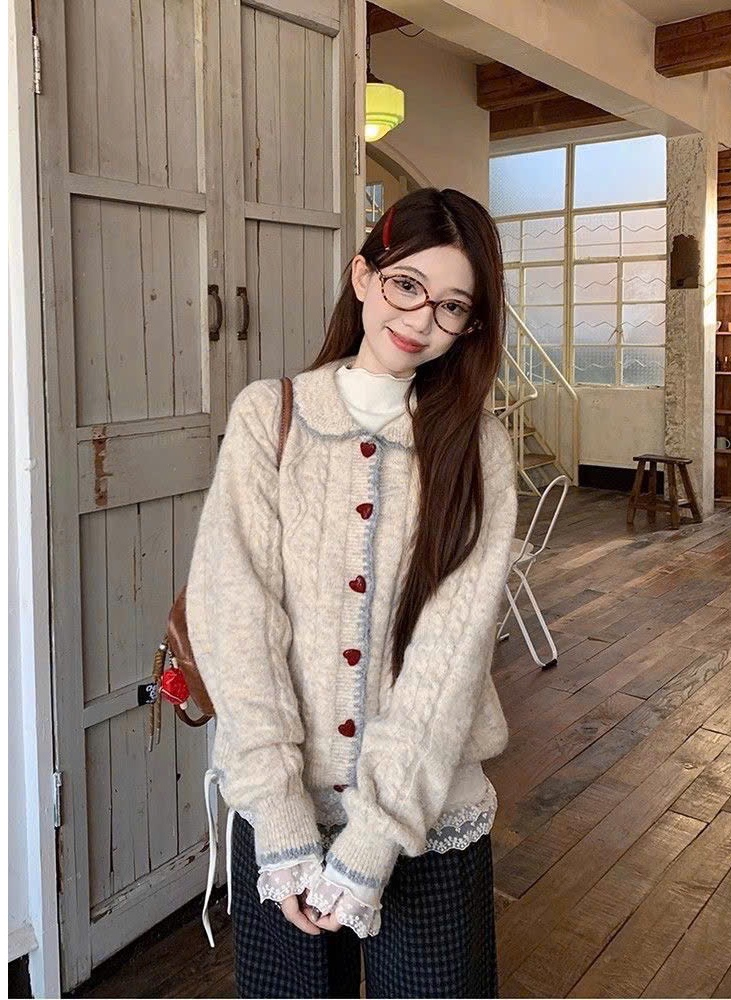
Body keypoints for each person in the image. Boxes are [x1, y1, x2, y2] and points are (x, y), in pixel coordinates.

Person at [186, 187, 518, 998]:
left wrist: (372, 843)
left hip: (427, 818)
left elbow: (451, 655)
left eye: (452, 306)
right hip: (283, 814)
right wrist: (282, 823)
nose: (421, 319)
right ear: (363, 275)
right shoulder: (270, 416)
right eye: (407, 284)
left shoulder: (477, 448)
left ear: (470, 324)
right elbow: (235, 619)